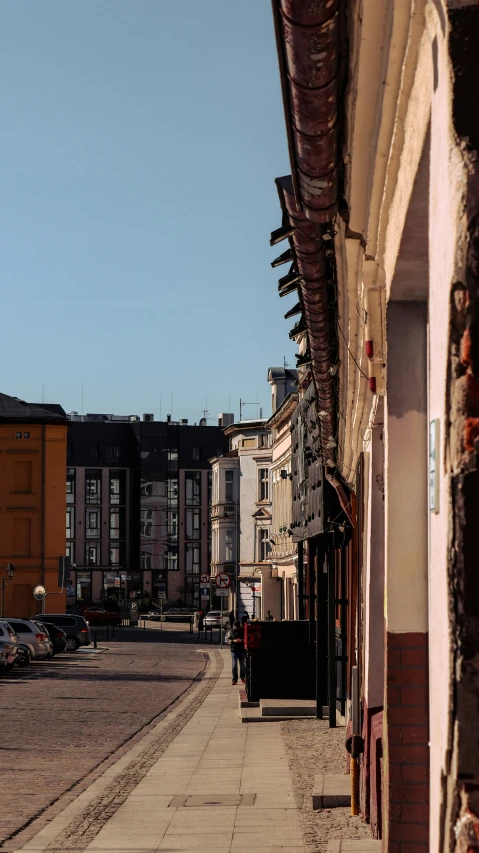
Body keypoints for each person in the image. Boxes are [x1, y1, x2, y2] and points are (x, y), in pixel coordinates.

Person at [226, 620, 246, 685]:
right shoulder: (231, 631)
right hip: (234, 650)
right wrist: (233, 641)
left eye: (237, 627)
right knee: (234, 665)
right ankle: (234, 679)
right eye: (235, 627)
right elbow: (226, 639)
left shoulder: (243, 630)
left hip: (241, 650)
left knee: (242, 665)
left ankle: (242, 677)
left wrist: (242, 640)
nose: (236, 628)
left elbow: (246, 639)